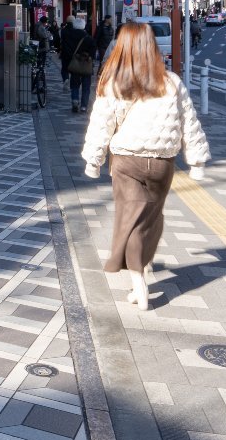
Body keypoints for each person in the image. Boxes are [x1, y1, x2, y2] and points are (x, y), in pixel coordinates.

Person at [80, 21, 210, 310]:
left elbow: (101, 124)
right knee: (150, 217)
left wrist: (93, 160)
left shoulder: (114, 82)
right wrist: (197, 161)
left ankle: (138, 279)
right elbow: (189, 122)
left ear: (122, 47)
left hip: (127, 161)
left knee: (130, 219)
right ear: (152, 47)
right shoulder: (171, 82)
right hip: (163, 164)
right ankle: (143, 263)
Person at [60, 16, 96, 113]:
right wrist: (89, 57)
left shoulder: (69, 36)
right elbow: (93, 51)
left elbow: (65, 49)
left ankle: (75, 100)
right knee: (86, 86)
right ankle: (84, 106)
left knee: (75, 84)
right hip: (86, 64)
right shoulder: (88, 38)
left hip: (75, 63)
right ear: (84, 26)